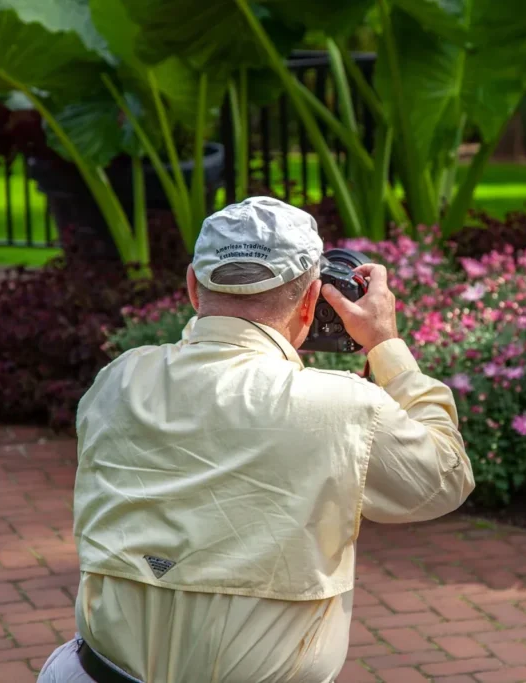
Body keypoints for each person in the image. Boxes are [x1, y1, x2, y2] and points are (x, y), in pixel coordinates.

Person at [37, 197, 475, 683]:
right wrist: (385, 344)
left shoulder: (118, 379)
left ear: (192, 289)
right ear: (312, 299)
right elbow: (444, 479)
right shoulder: (340, 406)